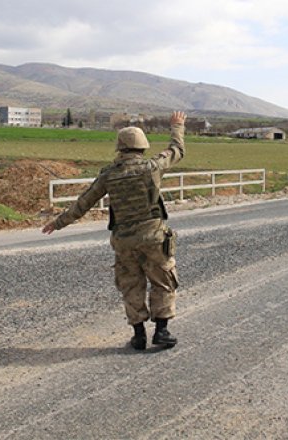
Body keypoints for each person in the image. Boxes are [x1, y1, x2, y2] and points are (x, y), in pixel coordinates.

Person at [42, 111, 186, 350]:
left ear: (120, 147)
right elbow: (177, 150)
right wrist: (177, 126)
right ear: (142, 146)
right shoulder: (152, 167)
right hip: (153, 237)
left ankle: (138, 335)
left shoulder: (109, 175)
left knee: (131, 285)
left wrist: (57, 223)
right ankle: (161, 331)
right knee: (162, 281)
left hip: (123, 241)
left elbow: (83, 203)